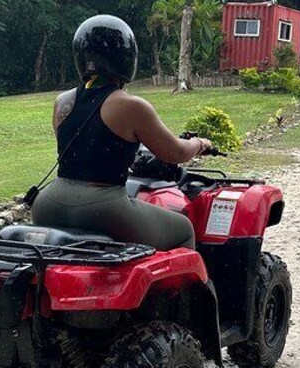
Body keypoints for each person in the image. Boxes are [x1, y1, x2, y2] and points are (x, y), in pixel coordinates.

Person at [31, 15, 212, 251]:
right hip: (102, 207)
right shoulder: (131, 106)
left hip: (49, 203)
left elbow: (85, 149)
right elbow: (175, 152)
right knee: (183, 229)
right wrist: (199, 143)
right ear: (126, 58)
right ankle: (194, 289)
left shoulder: (61, 102)